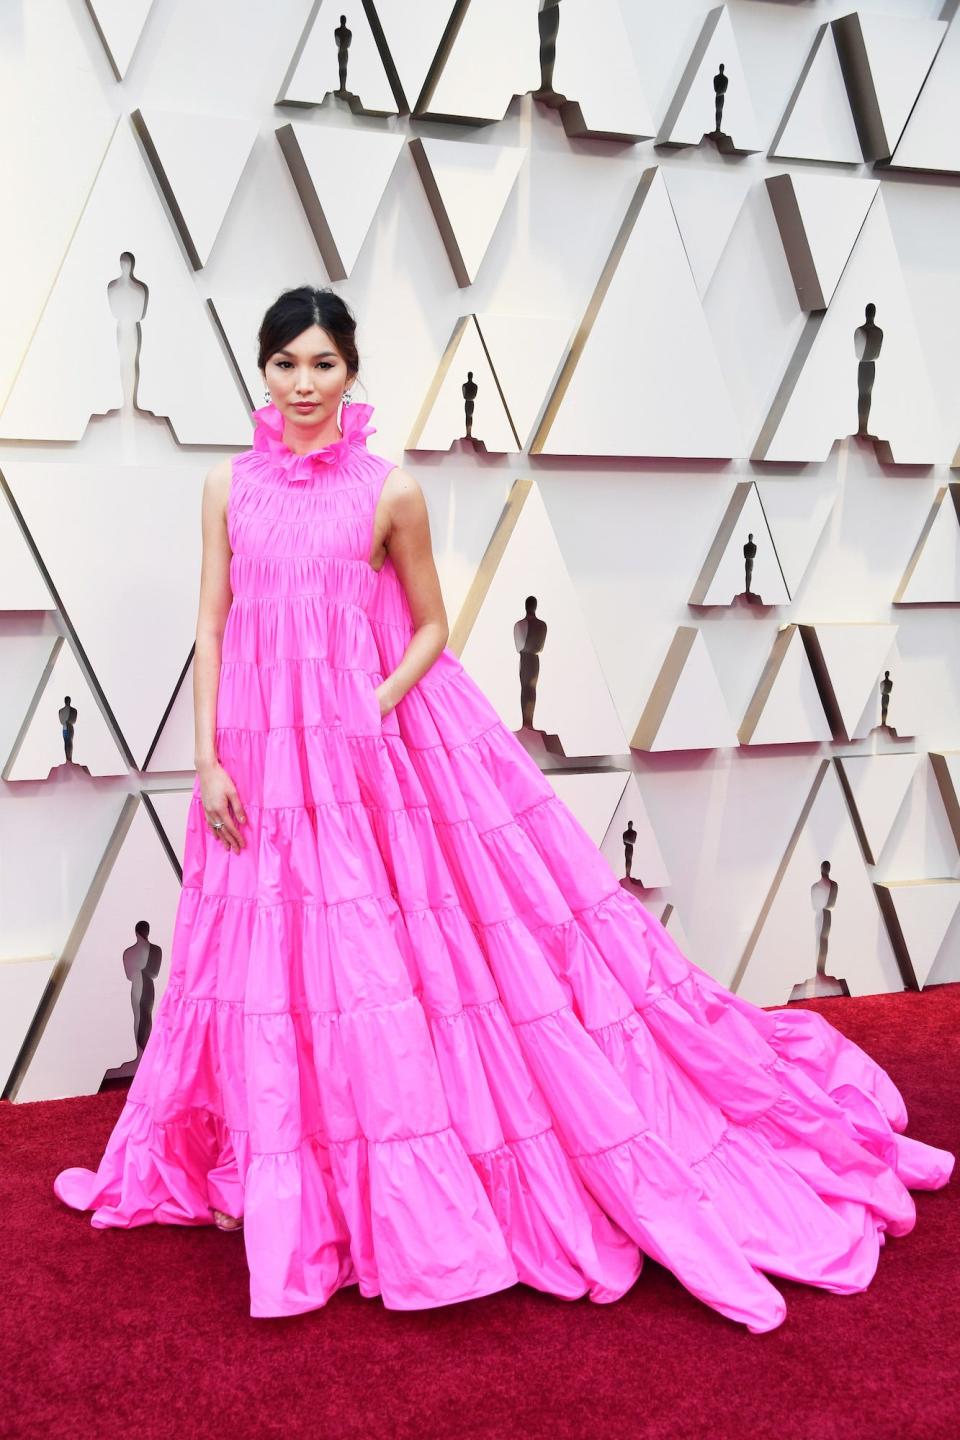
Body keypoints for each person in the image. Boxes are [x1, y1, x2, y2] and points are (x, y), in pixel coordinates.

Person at [53, 286, 954, 1332]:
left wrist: (372, 704)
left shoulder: (390, 493)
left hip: (359, 752)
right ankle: (270, 1165)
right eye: (286, 365)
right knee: (266, 955)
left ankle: (365, 1187)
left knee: (370, 964)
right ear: (262, 371)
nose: (303, 385)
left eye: (323, 365)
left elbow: (431, 626)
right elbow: (214, 620)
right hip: (257, 753)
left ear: (352, 374)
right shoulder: (224, 486)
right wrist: (206, 758)